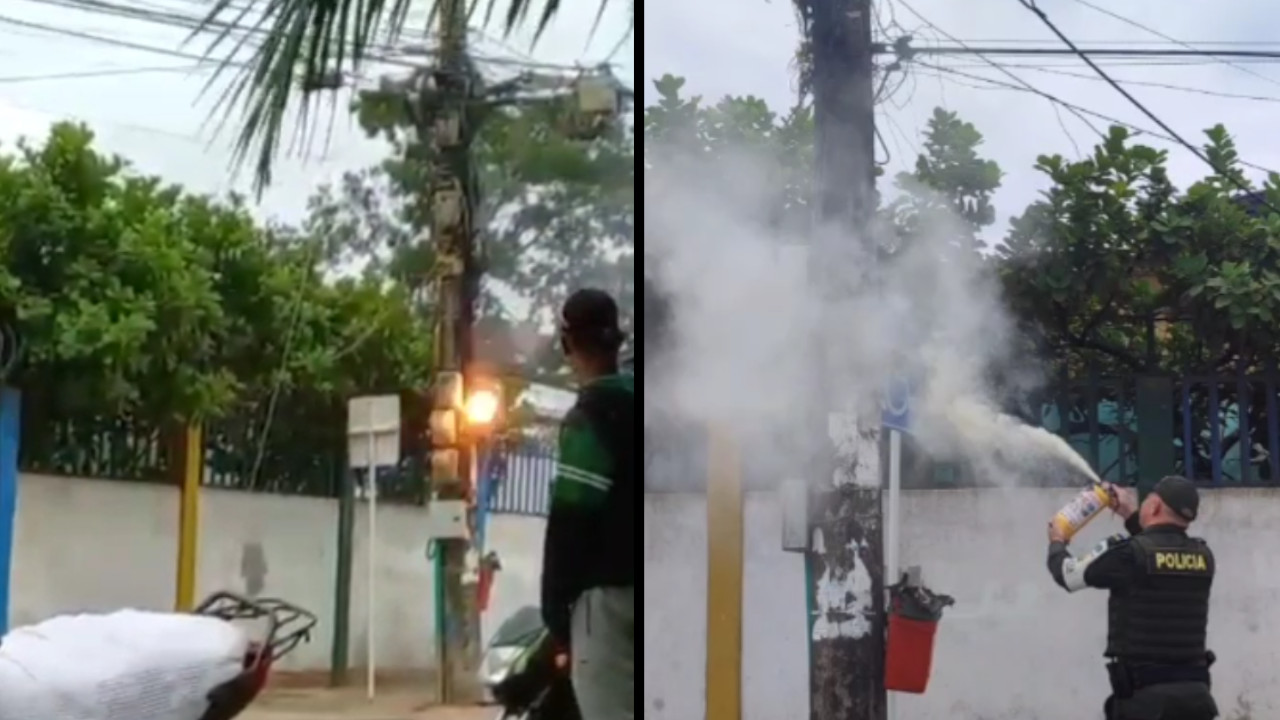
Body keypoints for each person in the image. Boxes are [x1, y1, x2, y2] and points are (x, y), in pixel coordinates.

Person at [1047, 476, 1218, 720]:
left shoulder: (1129, 555)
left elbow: (1068, 576)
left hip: (1146, 703)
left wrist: (1057, 540)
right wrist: (1130, 514)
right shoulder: (1203, 556)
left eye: (1148, 499)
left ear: (1156, 507)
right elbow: (1157, 551)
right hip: (1197, 700)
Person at [541, 288, 635, 720]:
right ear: (617, 341)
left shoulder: (590, 416)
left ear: (567, 344)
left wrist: (555, 609)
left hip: (605, 601)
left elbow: (571, 521)